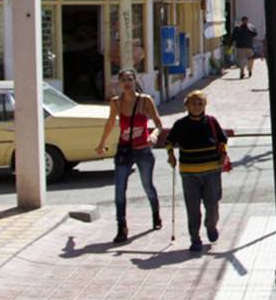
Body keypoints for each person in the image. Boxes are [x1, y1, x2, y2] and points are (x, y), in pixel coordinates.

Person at [97, 69, 165, 243]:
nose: (127, 83)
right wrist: (101, 143)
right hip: (125, 150)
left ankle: (155, 213)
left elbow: (158, 123)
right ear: (119, 83)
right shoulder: (116, 103)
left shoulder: (145, 101)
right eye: (124, 80)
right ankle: (121, 226)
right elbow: (110, 123)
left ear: (135, 81)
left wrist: (154, 135)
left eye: (130, 79)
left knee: (147, 185)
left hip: (143, 149)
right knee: (119, 189)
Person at [166, 90, 228, 253]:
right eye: (193, 103)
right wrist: (170, 155)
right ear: (186, 105)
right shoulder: (180, 124)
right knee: (192, 208)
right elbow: (169, 142)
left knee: (212, 205)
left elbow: (222, 140)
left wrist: (223, 153)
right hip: (189, 172)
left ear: (205, 105)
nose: (197, 106)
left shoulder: (212, 122)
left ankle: (211, 225)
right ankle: (195, 239)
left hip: (212, 171)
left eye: (200, 103)